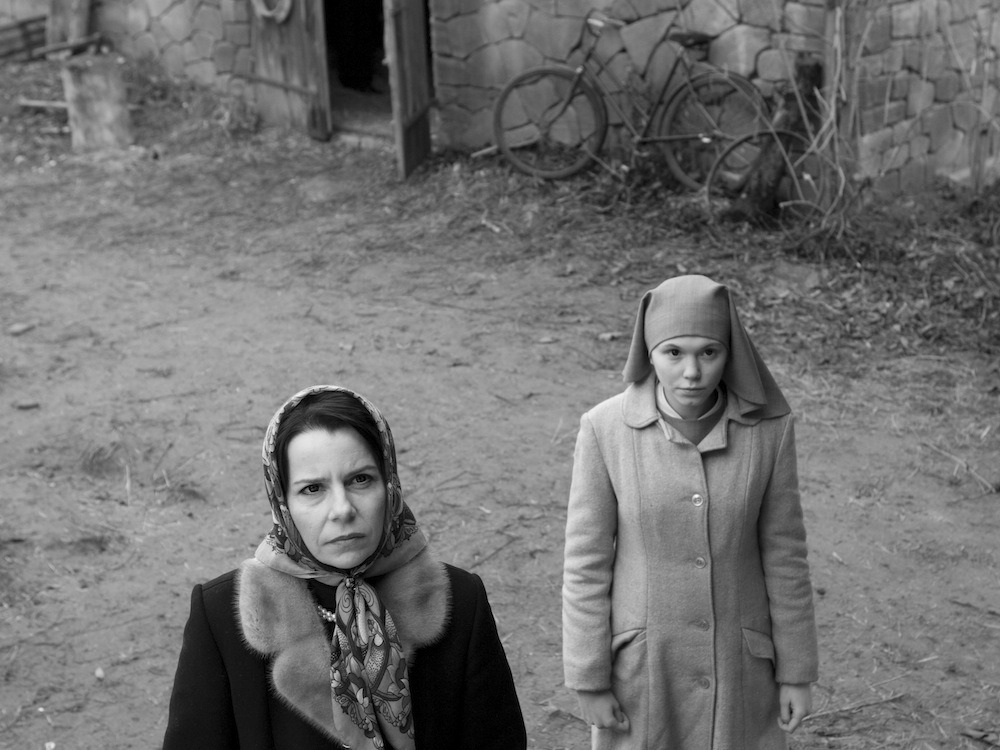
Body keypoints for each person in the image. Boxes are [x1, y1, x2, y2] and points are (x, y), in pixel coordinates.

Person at [163, 385, 527, 750]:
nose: (342, 509)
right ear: (282, 502)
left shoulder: (460, 601)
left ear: (389, 483)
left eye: (360, 479)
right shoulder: (220, 616)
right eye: (312, 489)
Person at [562, 275, 819, 749]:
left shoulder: (770, 431)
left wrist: (797, 672)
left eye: (709, 352)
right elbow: (585, 563)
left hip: (739, 667)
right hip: (643, 668)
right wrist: (588, 678)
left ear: (730, 353)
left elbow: (785, 556)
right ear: (649, 352)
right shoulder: (605, 429)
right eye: (674, 352)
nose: (692, 372)